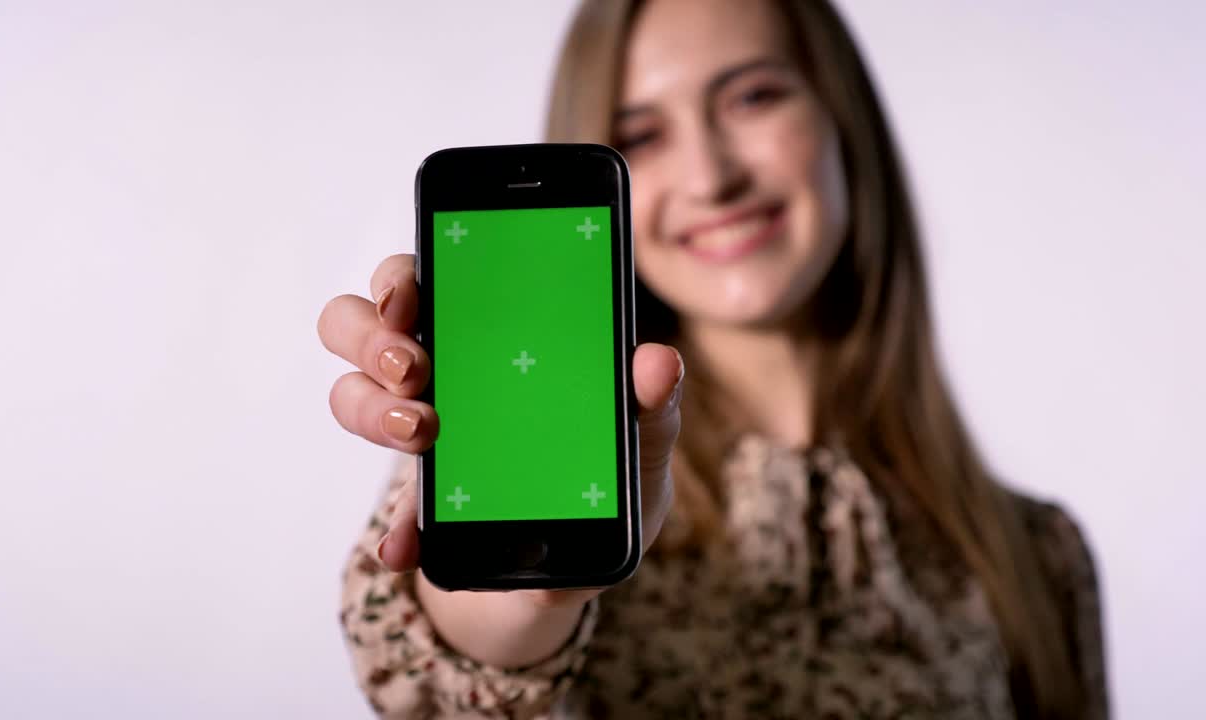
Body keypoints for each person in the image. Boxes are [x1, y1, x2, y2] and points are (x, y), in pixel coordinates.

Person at [317, 0, 1109, 717]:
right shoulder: (573, 474)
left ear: (843, 118)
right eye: (642, 134)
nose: (711, 177)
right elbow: (446, 666)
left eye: (753, 96)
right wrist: (538, 596)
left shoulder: (1039, 559)